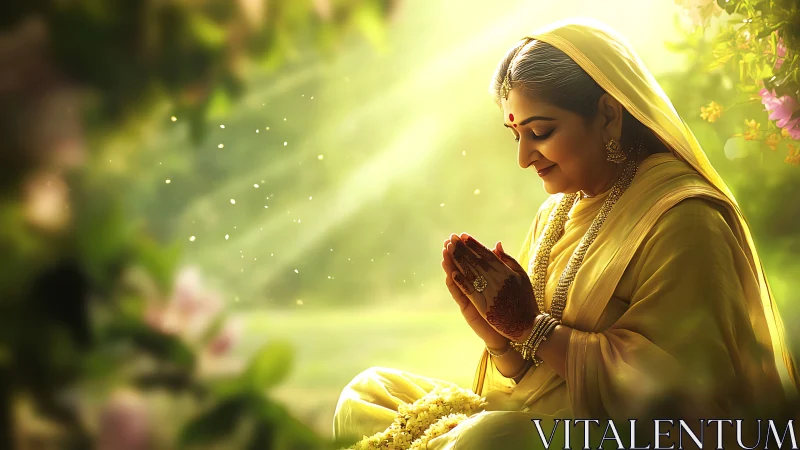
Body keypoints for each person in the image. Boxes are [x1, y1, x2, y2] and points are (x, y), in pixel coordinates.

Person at [332, 18, 800, 449]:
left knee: (488, 438)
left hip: (630, 436)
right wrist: (496, 336)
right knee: (367, 393)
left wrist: (531, 329)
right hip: (534, 420)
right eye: (515, 135)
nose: (524, 157)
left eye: (540, 131)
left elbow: (680, 397)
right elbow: (530, 379)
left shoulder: (684, 217)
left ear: (609, 116)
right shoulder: (557, 209)